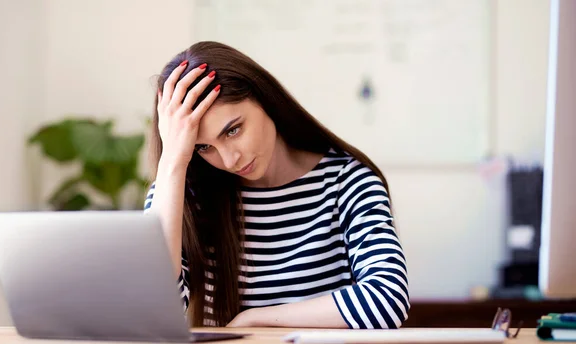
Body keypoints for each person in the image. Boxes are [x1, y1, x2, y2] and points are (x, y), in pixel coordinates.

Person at [144, 41, 409, 329]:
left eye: (233, 130)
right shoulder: (178, 192)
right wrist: (172, 161)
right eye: (204, 147)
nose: (230, 159)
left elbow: (387, 300)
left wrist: (257, 319)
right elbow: (152, 306)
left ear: (264, 99)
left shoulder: (346, 180)